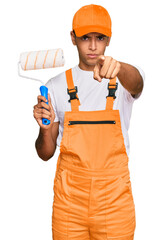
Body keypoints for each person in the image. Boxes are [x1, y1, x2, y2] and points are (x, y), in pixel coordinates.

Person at [33, 4, 145, 240]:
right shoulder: (55, 86)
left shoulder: (123, 79)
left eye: (100, 38)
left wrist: (120, 67)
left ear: (109, 39)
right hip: (69, 204)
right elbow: (45, 153)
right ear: (73, 38)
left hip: (115, 203)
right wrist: (44, 130)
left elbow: (138, 84)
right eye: (85, 37)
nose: (93, 46)